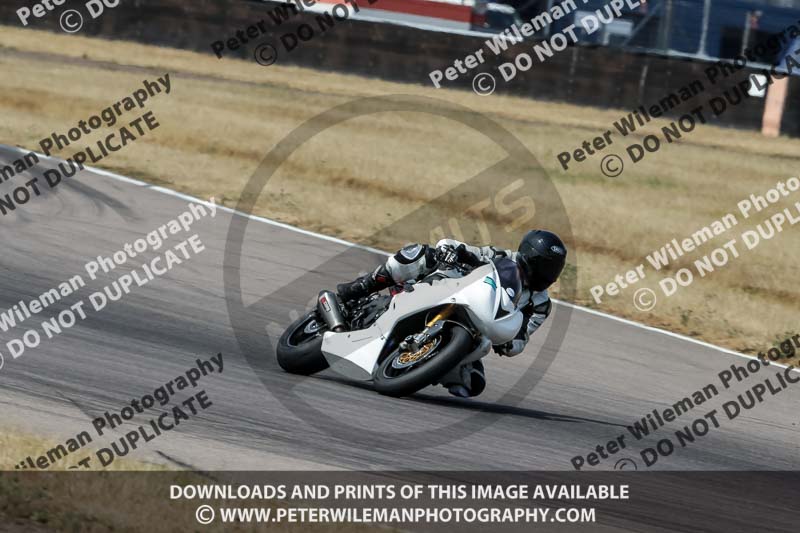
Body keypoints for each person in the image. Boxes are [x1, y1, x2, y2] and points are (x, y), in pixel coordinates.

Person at [336, 230, 567, 398]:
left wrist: (509, 343)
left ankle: (423, 363)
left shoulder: (541, 304)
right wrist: (450, 250)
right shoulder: (500, 257)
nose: (548, 274)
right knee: (421, 254)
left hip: (479, 329)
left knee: (472, 384)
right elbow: (461, 248)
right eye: (544, 266)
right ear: (528, 256)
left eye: (553, 269)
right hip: (450, 291)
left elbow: (523, 337)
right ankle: (360, 287)